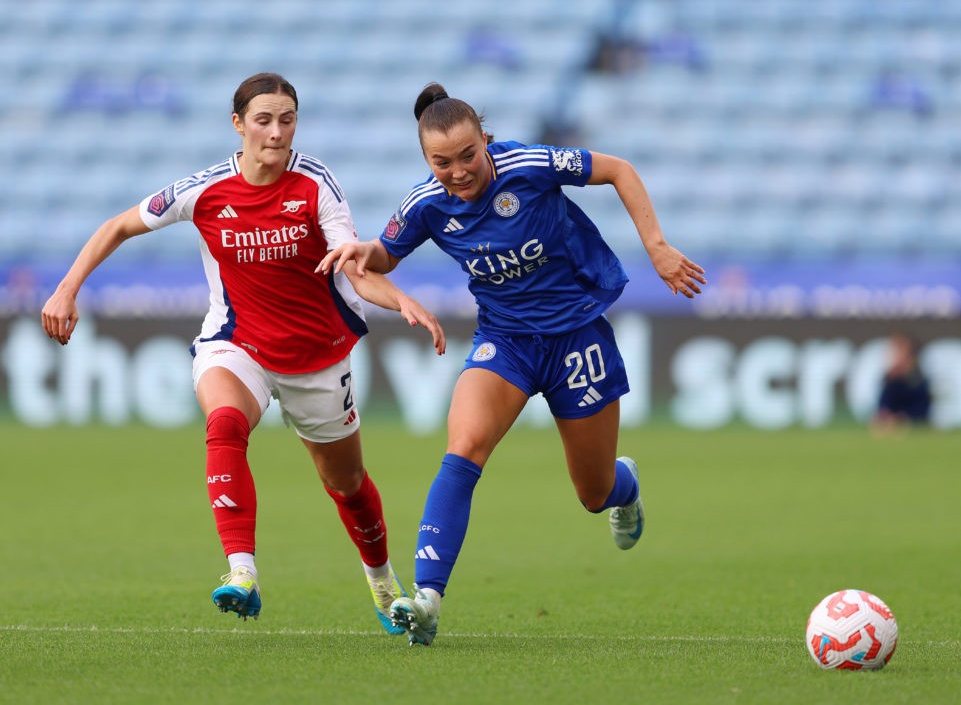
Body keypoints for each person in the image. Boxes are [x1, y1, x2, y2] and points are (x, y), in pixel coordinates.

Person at [41, 72, 446, 633]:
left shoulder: (316, 185)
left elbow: (355, 265)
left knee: (347, 484)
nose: (277, 133)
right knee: (225, 422)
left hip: (317, 354)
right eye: (264, 120)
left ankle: (382, 582)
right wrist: (67, 288)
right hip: (237, 342)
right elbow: (119, 226)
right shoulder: (204, 190)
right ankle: (242, 572)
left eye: (287, 120)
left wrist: (401, 299)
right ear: (238, 124)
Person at [317, 82, 706, 645]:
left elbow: (619, 169)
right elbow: (383, 254)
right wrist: (364, 254)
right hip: (506, 342)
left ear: (485, 140)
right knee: (463, 447)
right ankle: (426, 598)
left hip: (577, 338)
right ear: (427, 159)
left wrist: (657, 246)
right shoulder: (426, 203)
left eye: (468, 156)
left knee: (593, 493)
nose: (458, 172)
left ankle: (625, 487)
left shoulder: (529, 164)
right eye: (441, 162)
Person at [872, 333, 931, 433]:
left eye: (898, 352)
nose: (893, 357)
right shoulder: (890, 381)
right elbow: (882, 408)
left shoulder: (918, 381)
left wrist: (900, 419)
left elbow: (921, 412)